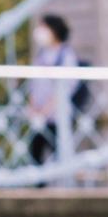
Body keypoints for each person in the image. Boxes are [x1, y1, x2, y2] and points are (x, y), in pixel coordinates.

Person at [27, 12, 75, 171]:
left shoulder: (65, 55)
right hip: (38, 117)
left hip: (56, 117)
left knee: (60, 157)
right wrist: (34, 109)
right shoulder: (41, 54)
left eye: (43, 27)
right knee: (35, 155)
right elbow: (33, 85)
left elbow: (67, 87)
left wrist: (45, 111)